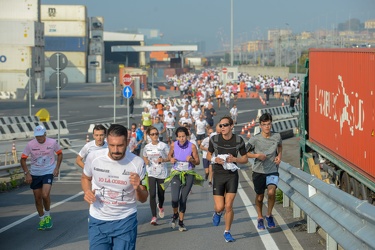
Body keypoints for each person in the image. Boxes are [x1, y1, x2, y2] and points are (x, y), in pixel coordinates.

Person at [81, 124, 148, 250]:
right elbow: (85, 177)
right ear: (107, 141)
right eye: (112, 145)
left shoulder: (137, 163)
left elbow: (144, 198)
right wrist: (87, 191)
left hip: (125, 221)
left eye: (120, 145)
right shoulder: (94, 158)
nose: (115, 150)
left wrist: (137, 187)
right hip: (98, 220)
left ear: (127, 142)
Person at [206, 116, 248, 242]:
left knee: (228, 206)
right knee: (220, 207)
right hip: (218, 174)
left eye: (225, 125)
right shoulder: (214, 139)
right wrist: (214, 159)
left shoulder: (238, 140)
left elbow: (245, 159)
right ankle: (217, 213)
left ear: (231, 126)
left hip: (231, 175)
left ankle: (227, 231)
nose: (222, 128)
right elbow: (208, 155)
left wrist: (235, 159)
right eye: (220, 125)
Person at [20, 125, 63, 230]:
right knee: (37, 198)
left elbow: (60, 154)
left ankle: (47, 215)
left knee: (45, 194)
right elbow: (22, 159)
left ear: (45, 134)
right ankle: (42, 218)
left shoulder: (52, 142)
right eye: (37, 136)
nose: (39, 138)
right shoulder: (30, 144)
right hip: (35, 173)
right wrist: (27, 173)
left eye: (40, 136)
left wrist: (57, 168)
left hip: (48, 171)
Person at [246, 113, 282, 230]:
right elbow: (244, 153)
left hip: (272, 170)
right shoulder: (255, 139)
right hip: (259, 171)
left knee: (271, 193)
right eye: (264, 125)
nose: (267, 127)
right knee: (260, 196)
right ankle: (260, 217)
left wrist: (279, 156)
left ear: (271, 124)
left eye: (268, 124)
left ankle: (269, 215)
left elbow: (280, 146)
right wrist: (256, 155)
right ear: (260, 126)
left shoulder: (276, 136)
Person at [164, 127, 203, 232]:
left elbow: (198, 162)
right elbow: (169, 155)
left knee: (183, 199)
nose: (181, 139)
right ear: (177, 137)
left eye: (183, 136)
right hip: (176, 173)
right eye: (179, 137)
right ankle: (175, 214)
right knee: (174, 198)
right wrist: (171, 159)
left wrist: (191, 160)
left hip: (188, 173)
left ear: (187, 136)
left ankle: (181, 222)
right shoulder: (173, 145)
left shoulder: (192, 146)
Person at [142, 126, 169, 225]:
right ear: (149, 136)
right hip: (151, 173)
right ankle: (154, 216)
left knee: (161, 194)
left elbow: (170, 157)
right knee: (152, 194)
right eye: (152, 134)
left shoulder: (163, 146)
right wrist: (146, 161)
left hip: (162, 173)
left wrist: (164, 160)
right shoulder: (147, 147)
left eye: (156, 134)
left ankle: (160, 206)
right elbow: (144, 156)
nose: (155, 136)